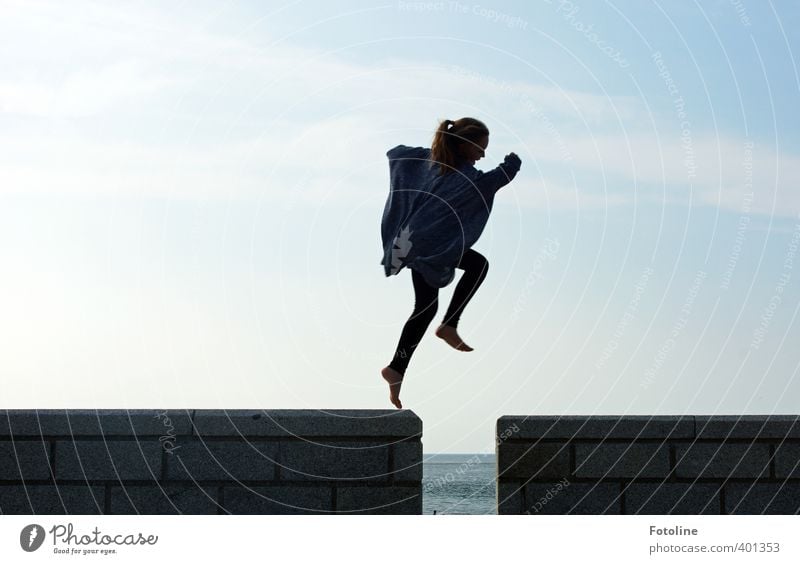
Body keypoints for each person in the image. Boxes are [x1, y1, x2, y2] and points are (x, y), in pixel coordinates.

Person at [379, 117, 522, 408]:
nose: (482, 155)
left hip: (412, 243)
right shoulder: (467, 179)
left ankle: (396, 369)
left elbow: (395, 153)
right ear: (464, 145)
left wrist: (431, 152)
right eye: (480, 149)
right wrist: (514, 162)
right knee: (478, 266)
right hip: (432, 245)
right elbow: (498, 178)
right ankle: (449, 325)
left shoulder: (428, 161)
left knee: (425, 307)